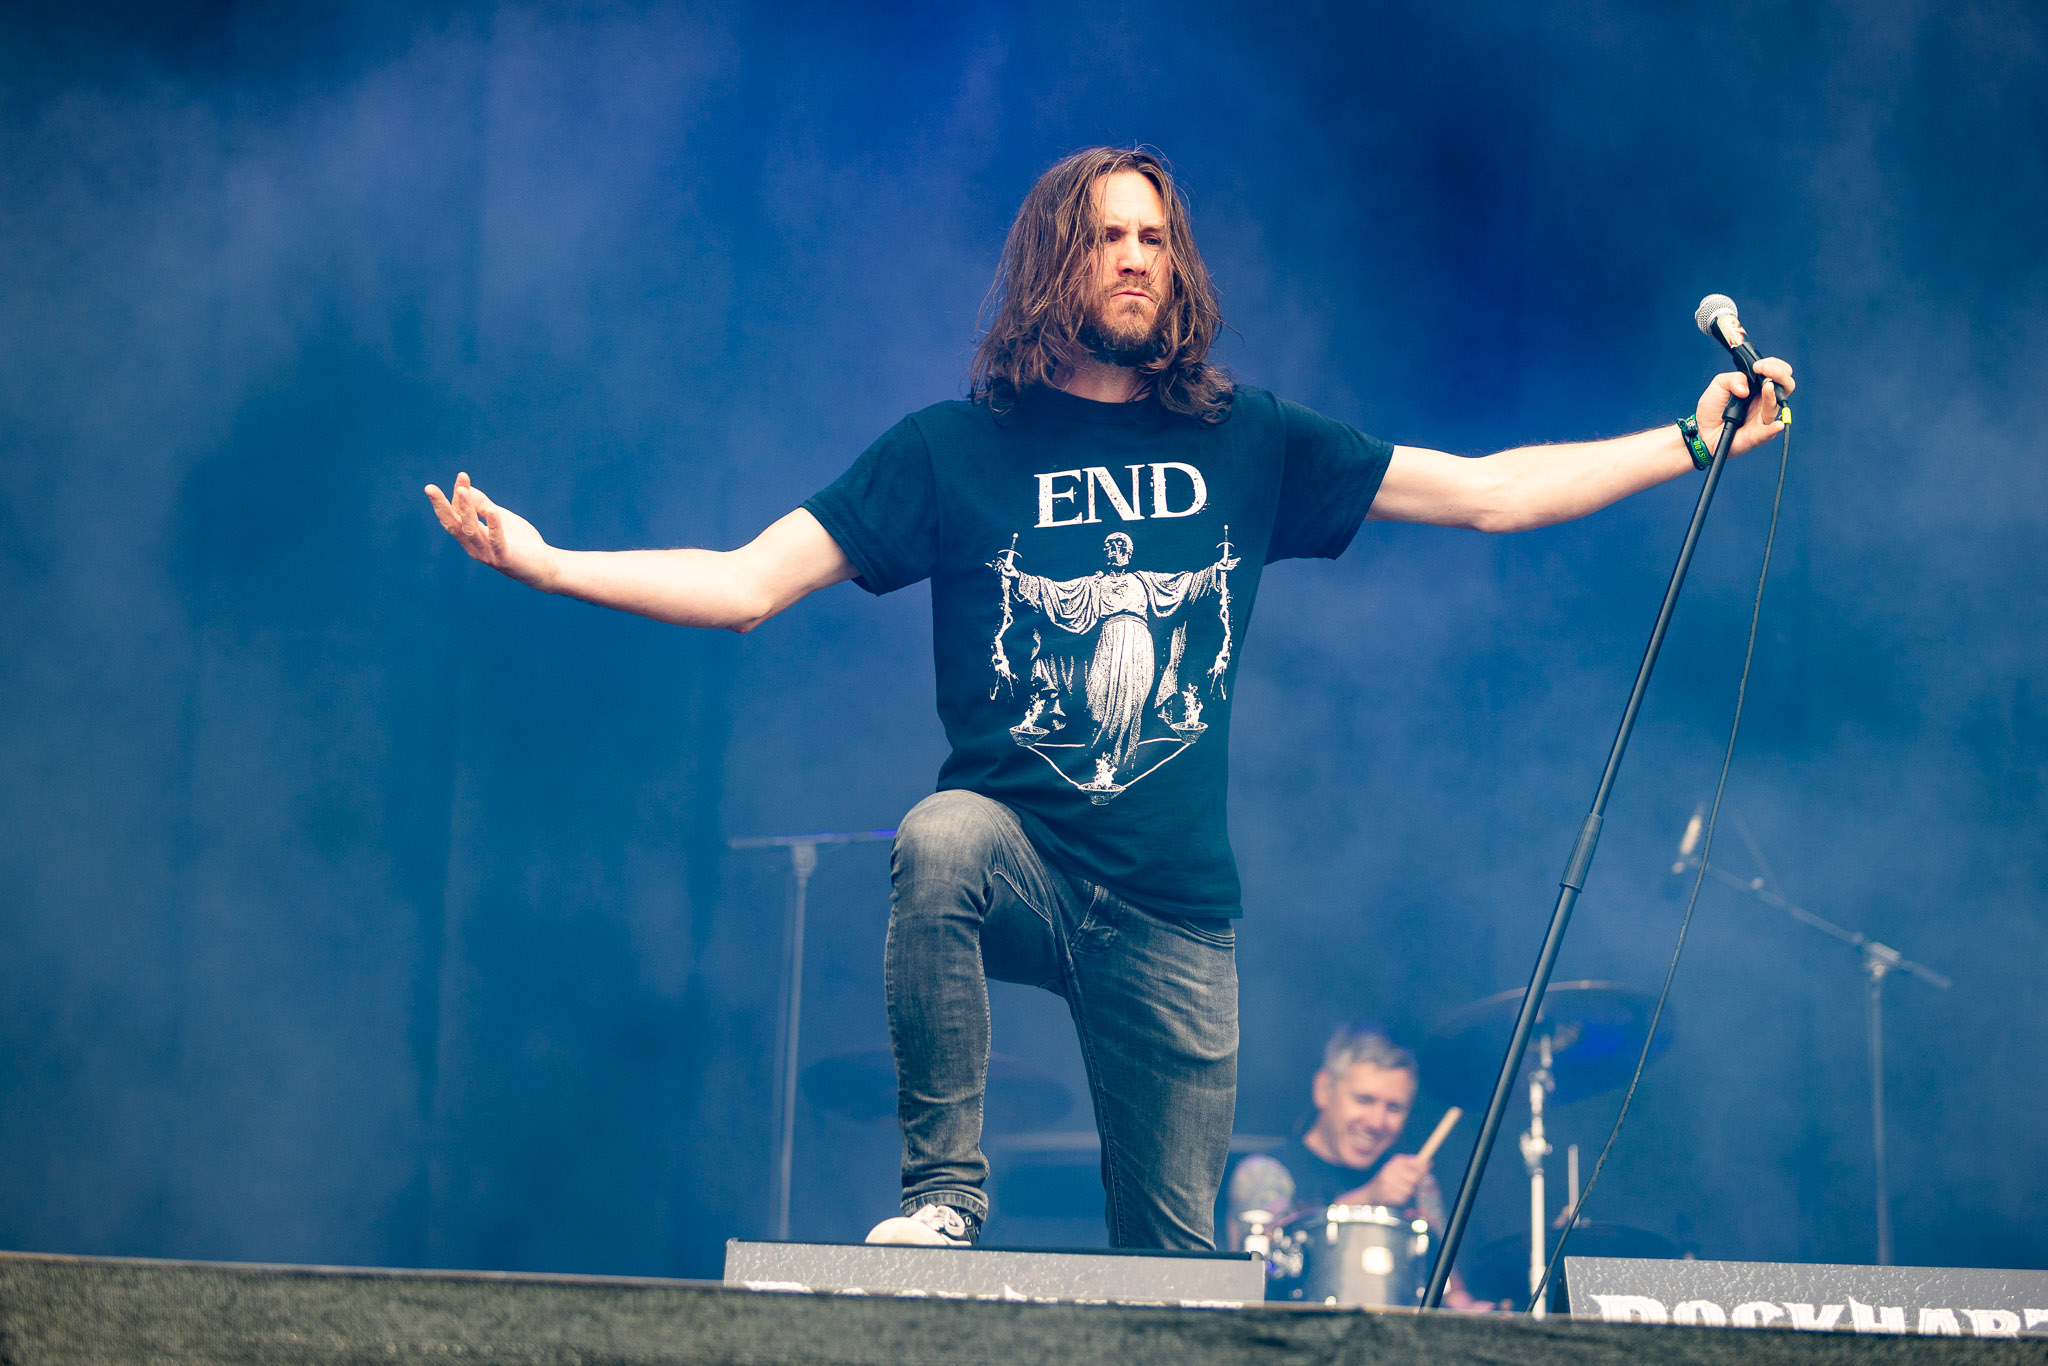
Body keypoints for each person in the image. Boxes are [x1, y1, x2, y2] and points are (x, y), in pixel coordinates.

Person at [424, 146, 1793, 1255]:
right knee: (940, 838)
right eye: (1105, 236)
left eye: (1153, 238)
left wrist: (1689, 439)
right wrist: (550, 562)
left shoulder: (1244, 440)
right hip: (1023, 856)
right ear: (1052, 264)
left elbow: (1490, 493)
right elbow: (742, 584)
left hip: (1173, 913)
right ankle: (944, 1197)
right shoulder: (951, 450)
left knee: (1173, 1274)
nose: (1135, 256)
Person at [1223, 1022, 1489, 1310]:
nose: (1376, 1122)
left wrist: (1472, 1310)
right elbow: (1257, 1271)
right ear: (1323, 1089)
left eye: (1394, 1107)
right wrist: (1368, 1198)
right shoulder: (1264, 1172)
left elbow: (1449, 1288)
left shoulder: (1415, 1183)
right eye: (1364, 1100)